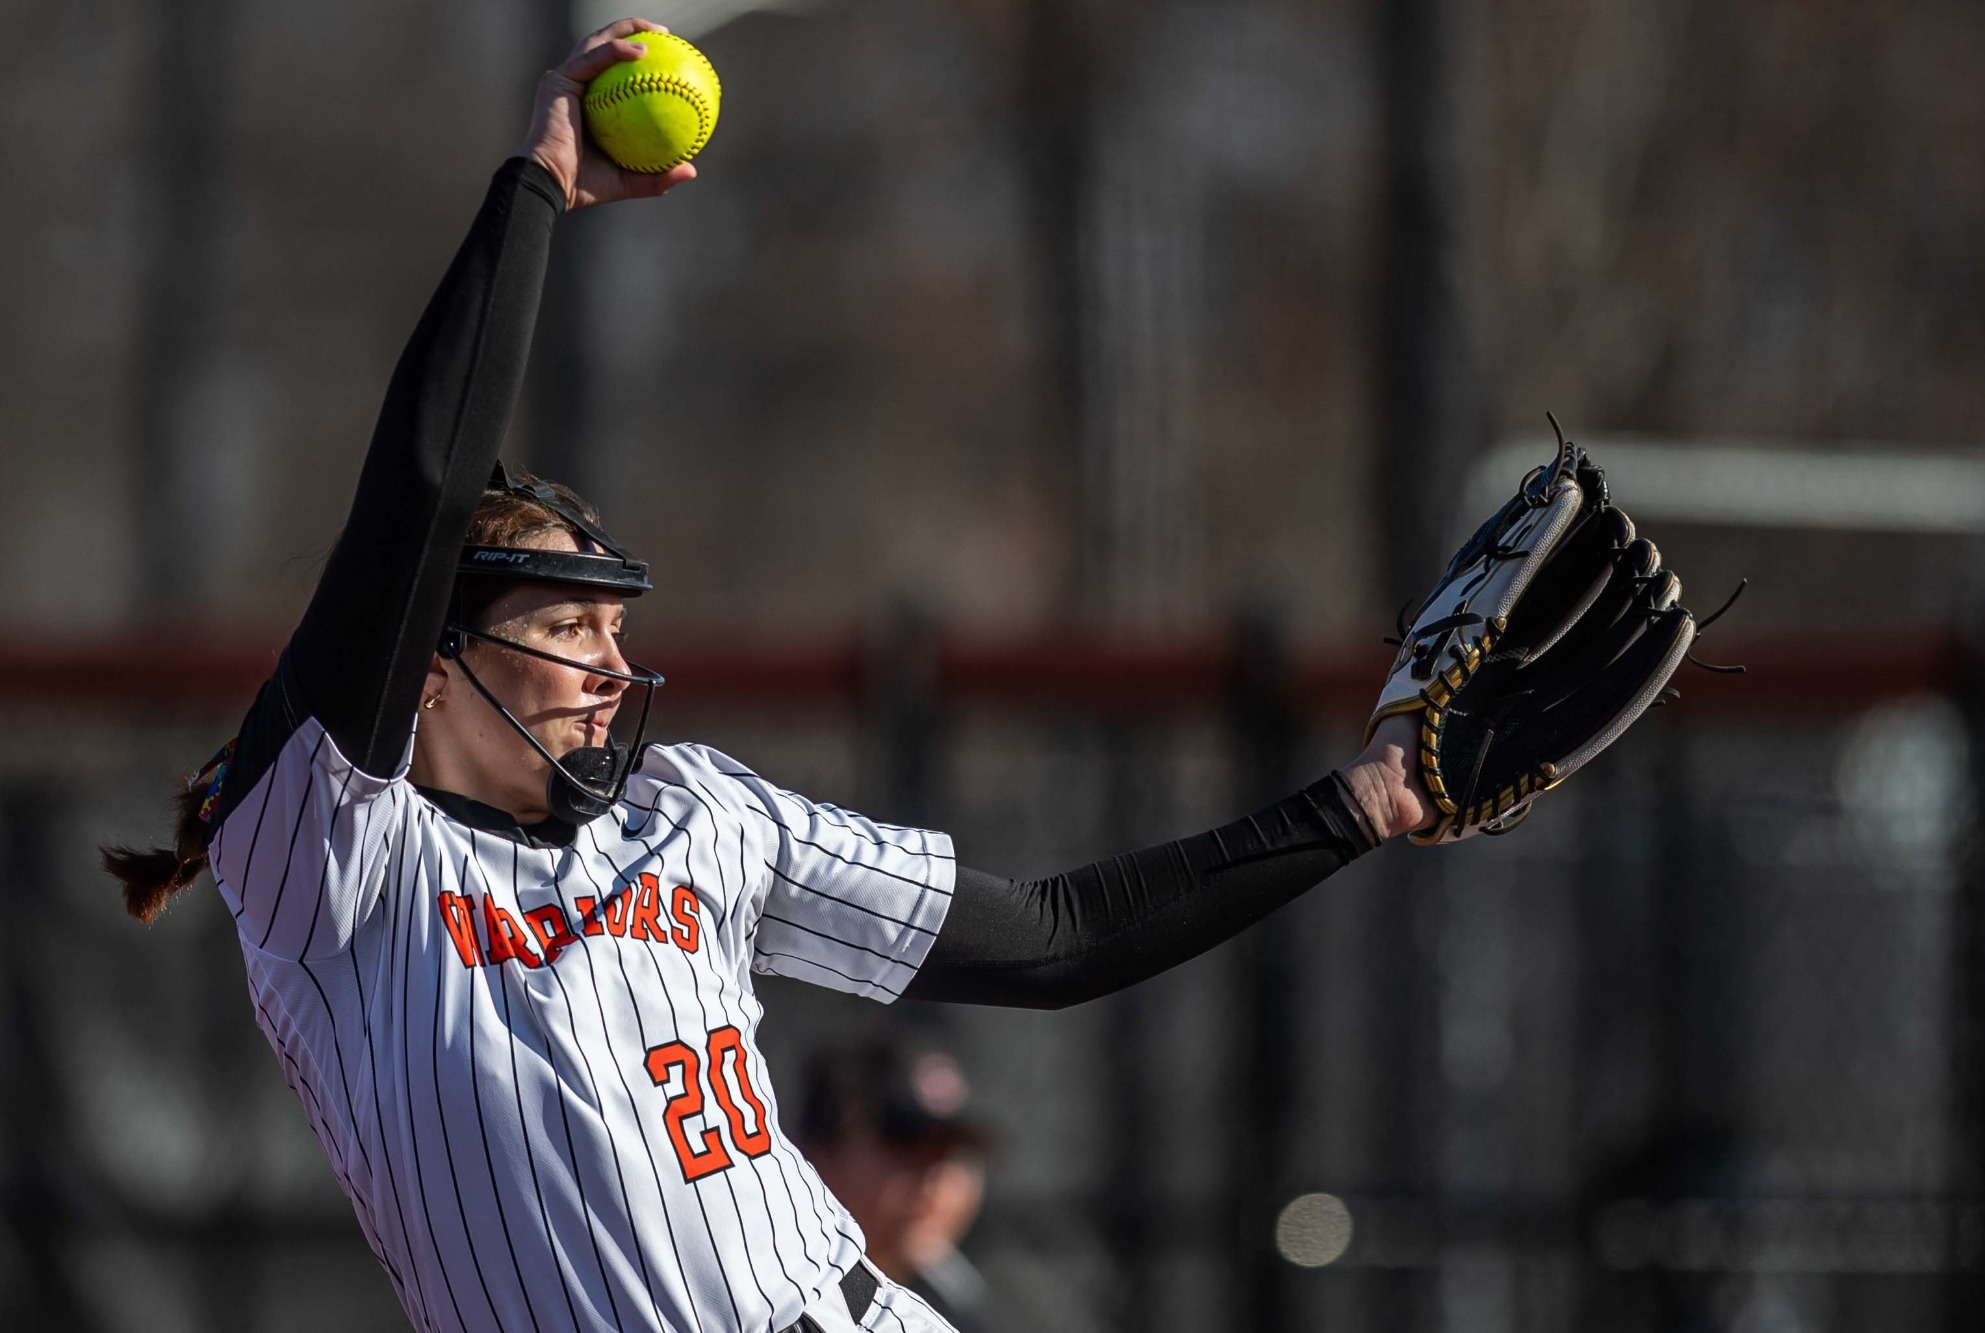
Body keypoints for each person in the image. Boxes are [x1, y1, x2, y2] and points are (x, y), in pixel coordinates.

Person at [101, 18, 1443, 1333]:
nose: (613, 672)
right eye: (570, 632)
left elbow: (1055, 936)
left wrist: (1364, 805)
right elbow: (414, 498)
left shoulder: (696, 817)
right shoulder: (332, 863)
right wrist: (539, 193)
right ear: (432, 668)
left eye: (617, 638)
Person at [796, 1042, 997, 1333]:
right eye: (906, 1144)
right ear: (817, 1151)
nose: (935, 1180)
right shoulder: (756, 1291)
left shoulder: (967, 1306)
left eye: (951, 1152)